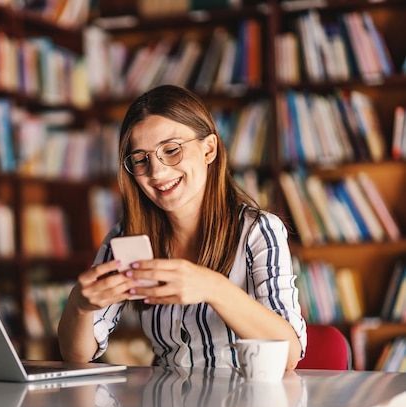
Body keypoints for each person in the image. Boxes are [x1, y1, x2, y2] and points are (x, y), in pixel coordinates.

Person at [57, 84, 306, 369]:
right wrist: (79, 305)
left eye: (171, 150)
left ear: (209, 149)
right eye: (141, 159)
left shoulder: (258, 230)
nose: (157, 172)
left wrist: (213, 287)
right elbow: (77, 356)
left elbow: (288, 356)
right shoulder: (126, 237)